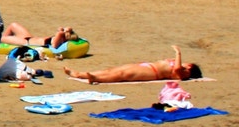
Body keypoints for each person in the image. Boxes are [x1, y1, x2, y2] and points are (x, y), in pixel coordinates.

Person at [66, 45, 202, 84]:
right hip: (147, 66)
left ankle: (96, 78)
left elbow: (177, 70)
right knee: (113, 70)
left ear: (190, 67)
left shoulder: (184, 73)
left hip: (152, 73)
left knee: (122, 74)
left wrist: (178, 53)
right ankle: (79, 74)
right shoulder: (179, 65)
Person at [2, 23, 77, 50]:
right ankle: (1, 45)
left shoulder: (60, 37)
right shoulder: (61, 37)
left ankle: (0, 43)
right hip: (30, 38)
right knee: (13, 25)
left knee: (0, 38)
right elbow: (60, 29)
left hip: (26, 42)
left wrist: (62, 32)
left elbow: (54, 46)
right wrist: (64, 30)